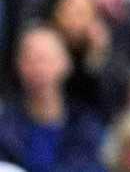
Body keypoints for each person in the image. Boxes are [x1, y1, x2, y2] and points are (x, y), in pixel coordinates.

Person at [0, 24, 105, 172]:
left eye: (45, 59)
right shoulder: (5, 126)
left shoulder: (86, 126)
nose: (38, 68)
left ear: (66, 63)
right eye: (30, 59)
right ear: (18, 65)